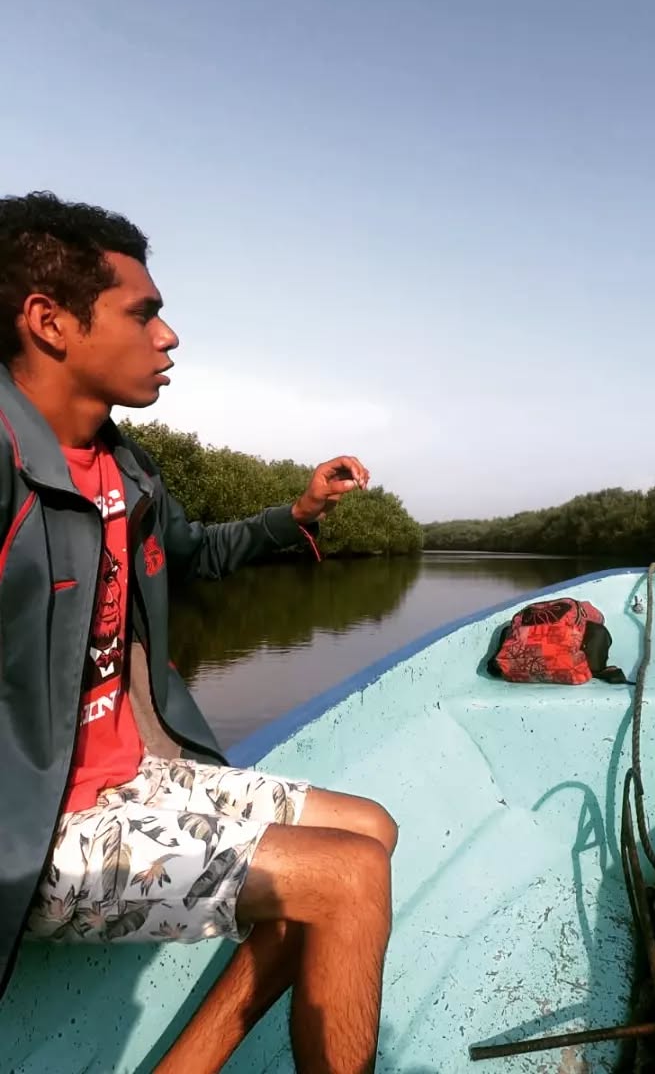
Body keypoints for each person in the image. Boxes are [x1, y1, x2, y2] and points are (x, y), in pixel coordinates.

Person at [0, 191, 395, 1074]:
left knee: (370, 828)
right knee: (348, 878)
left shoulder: (126, 465)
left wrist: (299, 511)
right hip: (36, 827)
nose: (168, 336)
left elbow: (195, 554)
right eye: (144, 314)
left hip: (133, 775)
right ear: (50, 322)